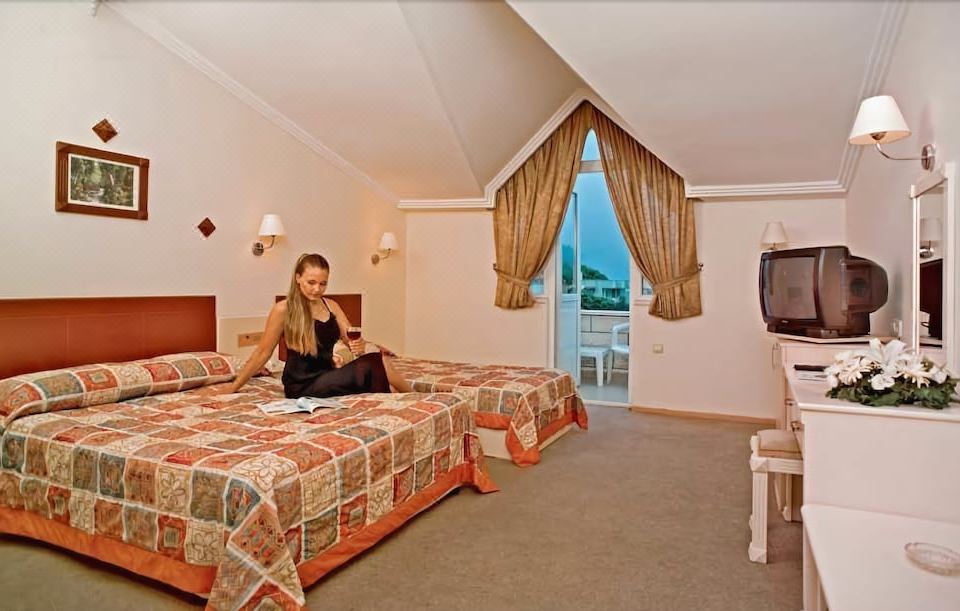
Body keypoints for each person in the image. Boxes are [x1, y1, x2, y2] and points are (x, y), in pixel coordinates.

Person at [227, 253, 412, 397]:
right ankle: (414, 396)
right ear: (298, 278)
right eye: (311, 282)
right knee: (377, 363)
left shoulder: (331, 306)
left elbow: (351, 341)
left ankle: (407, 398)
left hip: (328, 374)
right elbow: (262, 353)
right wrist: (232, 387)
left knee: (379, 369)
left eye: (323, 284)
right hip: (301, 385)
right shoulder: (283, 309)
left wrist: (358, 344)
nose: (317, 289)